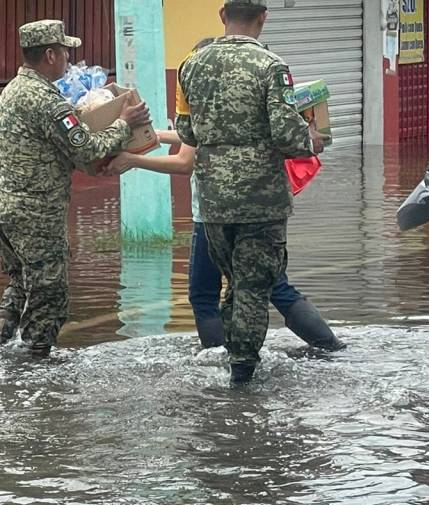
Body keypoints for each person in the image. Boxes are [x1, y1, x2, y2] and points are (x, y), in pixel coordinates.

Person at [175, 0, 324, 386]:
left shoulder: (191, 65)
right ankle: (243, 376)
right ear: (263, 17)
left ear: (223, 15)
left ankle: (230, 362)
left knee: (234, 287)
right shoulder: (272, 67)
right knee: (255, 288)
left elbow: (186, 131)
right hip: (261, 200)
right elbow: (285, 134)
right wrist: (313, 139)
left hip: (214, 199)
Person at [0, 20, 151, 358]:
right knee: (49, 293)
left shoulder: (13, 91)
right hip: (36, 216)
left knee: (19, 283)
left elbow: (50, 148)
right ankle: (36, 365)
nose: (67, 59)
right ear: (49, 54)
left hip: (3, 210)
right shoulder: (48, 102)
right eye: (63, 52)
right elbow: (86, 150)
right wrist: (125, 124)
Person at [106, 125, 344, 352]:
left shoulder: (199, 86)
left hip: (214, 212)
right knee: (274, 286)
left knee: (203, 295)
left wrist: (133, 160)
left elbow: (185, 161)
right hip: (259, 208)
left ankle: (222, 360)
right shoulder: (250, 87)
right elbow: (203, 134)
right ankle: (330, 346)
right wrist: (155, 135)